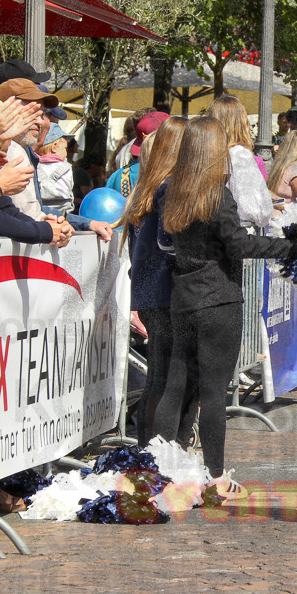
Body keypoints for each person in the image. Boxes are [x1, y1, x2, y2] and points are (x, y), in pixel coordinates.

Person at [153, 116, 297, 500]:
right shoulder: (216, 194)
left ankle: (160, 473)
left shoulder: (172, 190)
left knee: (176, 385)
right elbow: (240, 244)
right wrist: (293, 246)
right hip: (218, 299)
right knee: (213, 391)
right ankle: (216, 479)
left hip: (184, 297)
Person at [121, 117, 189, 445]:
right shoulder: (166, 190)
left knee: (160, 377)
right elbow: (170, 243)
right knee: (168, 379)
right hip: (165, 293)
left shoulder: (146, 190)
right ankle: (158, 451)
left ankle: (151, 449)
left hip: (152, 294)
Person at [0, 79, 113, 241]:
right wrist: (47, 231)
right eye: (31, 112)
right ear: (7, 111)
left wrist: (84, 223)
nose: (40, 121)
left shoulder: (22, 151)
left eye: (42, 113)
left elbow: (30, 211)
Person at [208, 94, 273, 228]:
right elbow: (254, 211)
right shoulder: (239, 155)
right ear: (241, 122)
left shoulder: (207, 154)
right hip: (236, 231)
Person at [36, 123, 74, 214]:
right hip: (64, 211)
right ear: (54, 146)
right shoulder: (66, 167)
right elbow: (69, 188)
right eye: (65, 149)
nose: (66, 153)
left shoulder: (34, 166)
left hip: (40, 210)